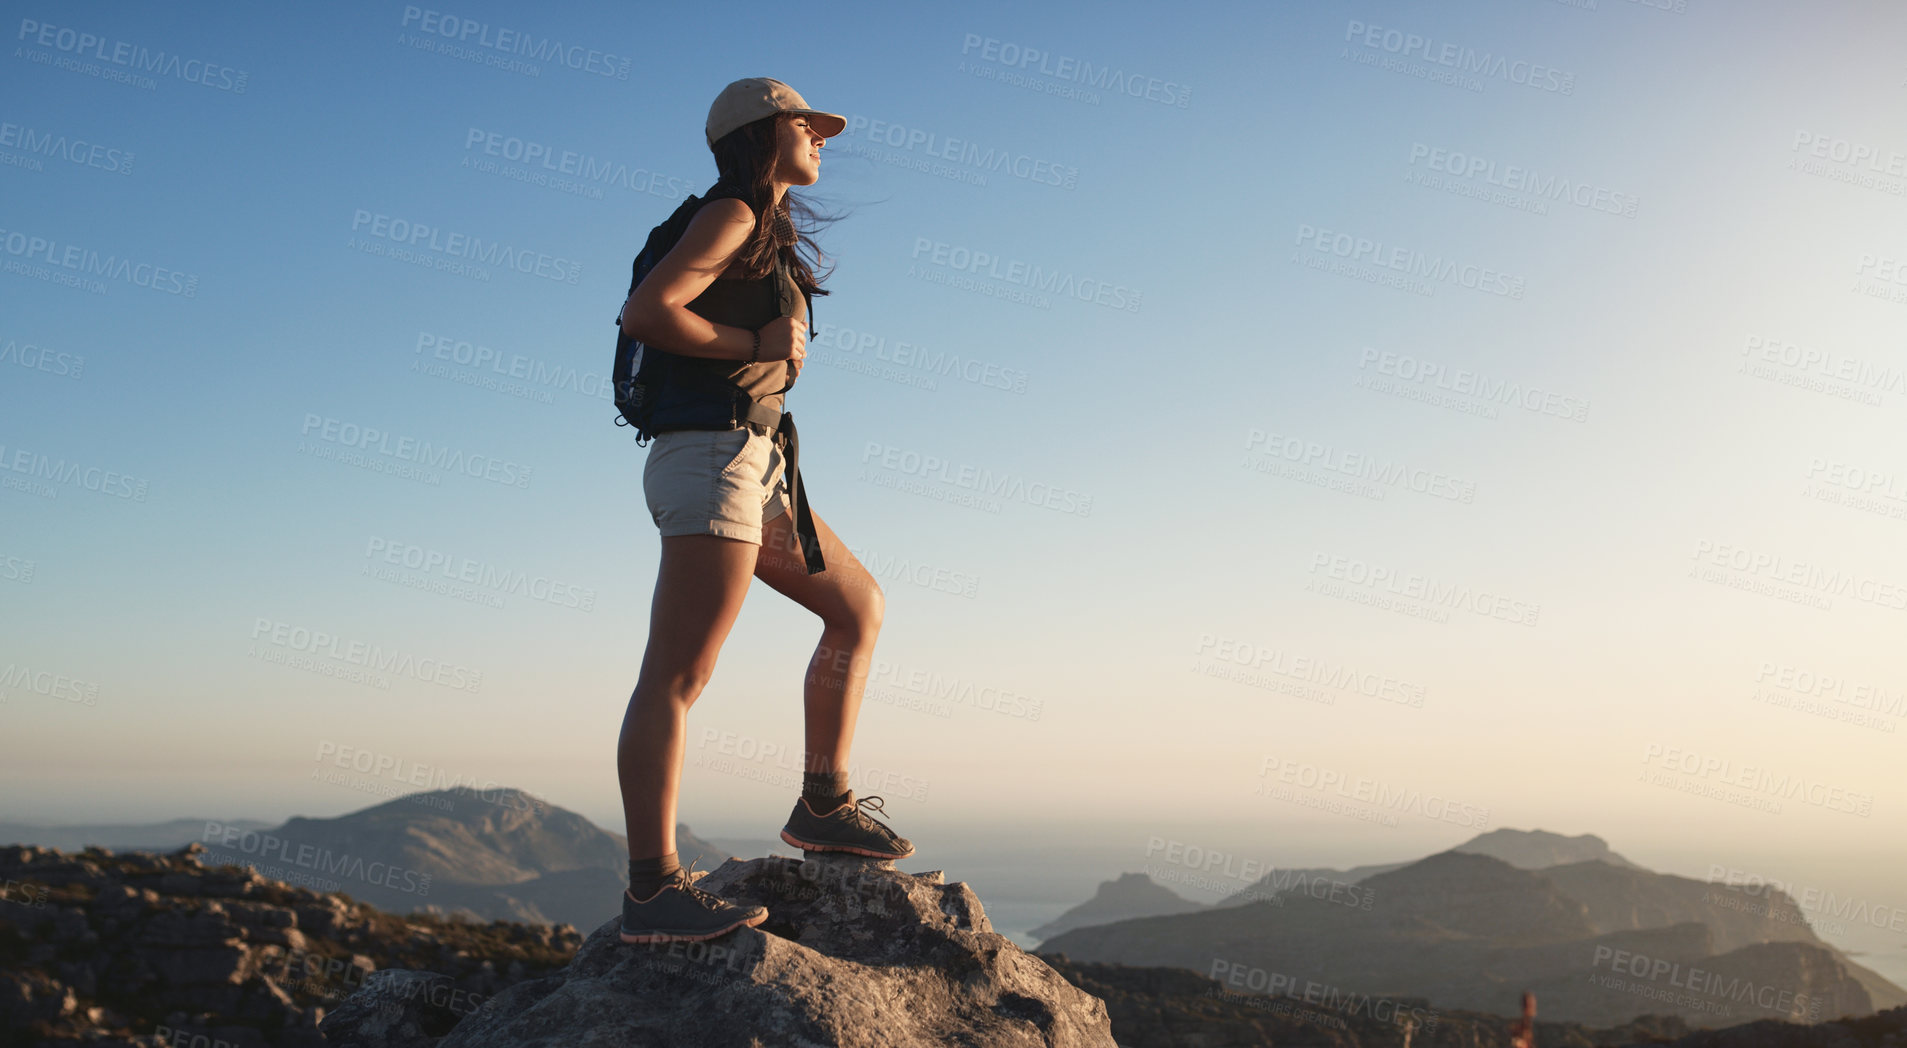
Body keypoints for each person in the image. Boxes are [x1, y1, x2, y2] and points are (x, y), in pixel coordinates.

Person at [613, 78, 914, 945]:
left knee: (856, 608)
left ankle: (823, 803)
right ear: (759, 134)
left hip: (751, 461)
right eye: (804, 125)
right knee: (677, 678)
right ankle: (652, 891)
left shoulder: (758, 225)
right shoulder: (731, 214)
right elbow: (647, 312)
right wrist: (752, 344)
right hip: (710, 458)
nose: (820, 138)